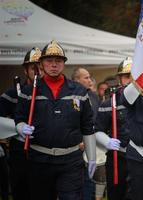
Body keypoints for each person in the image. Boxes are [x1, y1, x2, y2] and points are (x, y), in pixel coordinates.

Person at [14, 40, 98, 200]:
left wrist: (91, 157)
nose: (54, 65)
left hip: (71, 160)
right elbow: (18, 118)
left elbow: (88, 127)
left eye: (58, 61)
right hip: (39, 159)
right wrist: (21, 127)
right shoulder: (29, 91)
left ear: (64, 64)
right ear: (41, 64)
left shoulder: (79, 90)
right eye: (49, 61)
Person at [0, 47, 42, 200]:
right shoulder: (13, 94)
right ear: (25, 70)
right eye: (34, 68)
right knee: (21, 192)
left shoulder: (55, 94)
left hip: (46, 153)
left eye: (41, 67)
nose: (38, 71)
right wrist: (17, 126)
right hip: (20, 153)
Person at [95, 57, 132, 200]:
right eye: (127, 76)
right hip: (118, 157)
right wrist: (107, 141)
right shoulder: (109, 103)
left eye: (134, 76)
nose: (130, 80)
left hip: (140, 159)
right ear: (120, 79)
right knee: (116, 194)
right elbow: (97, 130)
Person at [71, 67, 101, 200]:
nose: (90, 80)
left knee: (89, 183)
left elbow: (97, 121)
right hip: (74, 147)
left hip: (91, 145)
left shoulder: (94, 96)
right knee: (73, 186)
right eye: (86, 77)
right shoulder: (69, 95)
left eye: (90, 77)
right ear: (76, 80)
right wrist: (79, 140)